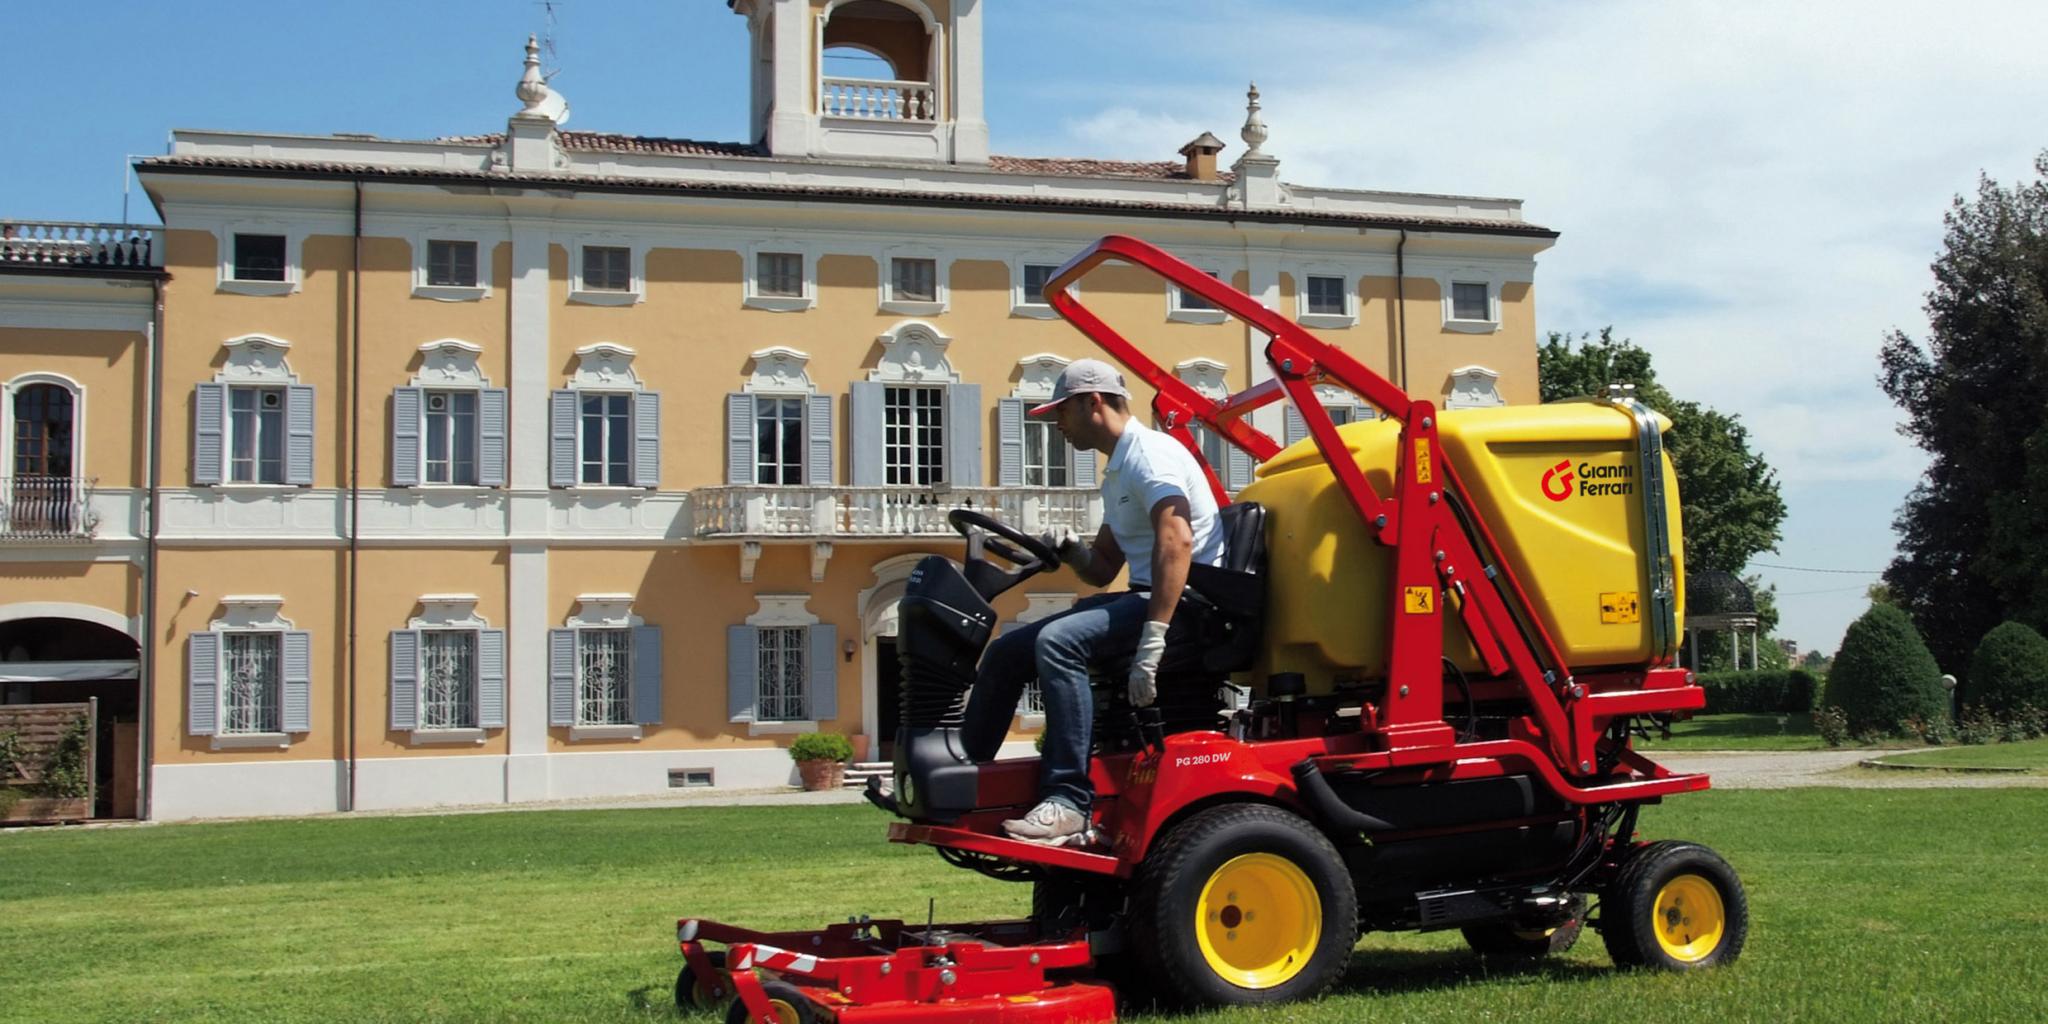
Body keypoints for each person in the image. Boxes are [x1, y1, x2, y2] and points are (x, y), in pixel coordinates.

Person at [960, 359, 1224, 844]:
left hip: (1188, 606)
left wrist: (1153, 640)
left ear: (1092, 402)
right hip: (1151, 598)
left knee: (1060, 641)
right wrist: (1072, 550)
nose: (1057, 424)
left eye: (1061, 412)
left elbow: (1177, 541)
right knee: (1007, 650)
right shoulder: (1120, 469)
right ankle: (961, 778)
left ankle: (1069, 802)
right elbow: (1102, 567)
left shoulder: (1150, 456)